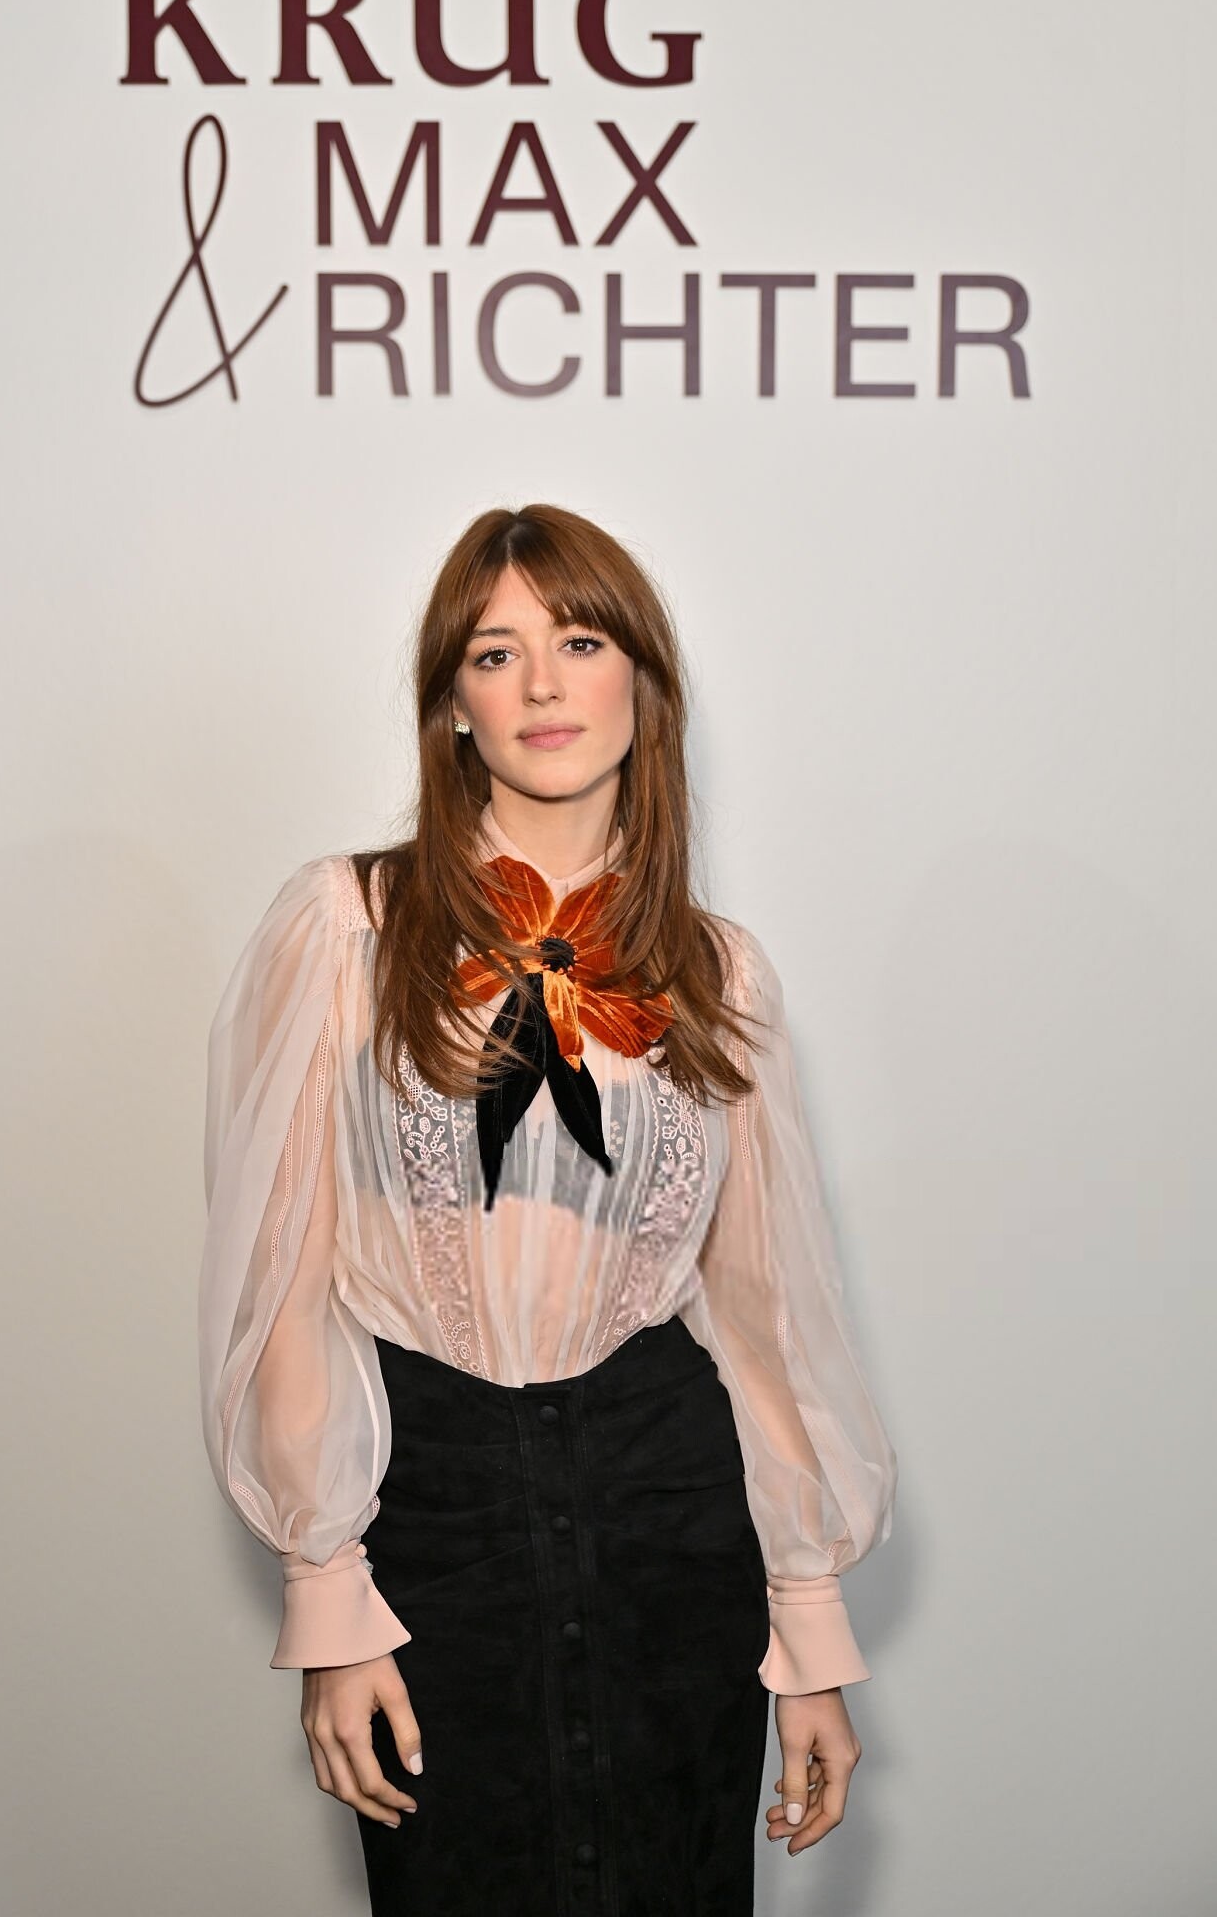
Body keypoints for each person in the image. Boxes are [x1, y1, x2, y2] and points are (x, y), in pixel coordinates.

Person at [198, 503, 898, 1916]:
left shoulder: (717, 972)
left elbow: (764, 1309)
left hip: (670, 1506)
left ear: (640, 680)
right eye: (492, 652)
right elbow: (282, 1277)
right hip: (428, 1497)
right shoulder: (344, 924)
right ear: (450, 703)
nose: (538, 685)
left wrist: (808, 1631)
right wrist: (326, 1594)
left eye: (578, 642)